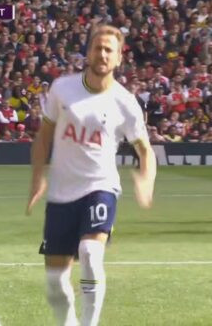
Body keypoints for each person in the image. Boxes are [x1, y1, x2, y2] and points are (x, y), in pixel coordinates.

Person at [26, 25, 156, 326]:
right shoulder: (61, 88)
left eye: (109, 49)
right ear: (88, 52)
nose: (102, 54)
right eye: (98, 47)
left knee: (89, 252)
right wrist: (37, 176)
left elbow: (146, 151)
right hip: (61, 193)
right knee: (56, 286)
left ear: (119, 58)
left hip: (100, 187)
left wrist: (145, 181)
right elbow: (43, 137)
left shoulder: (126, 103)